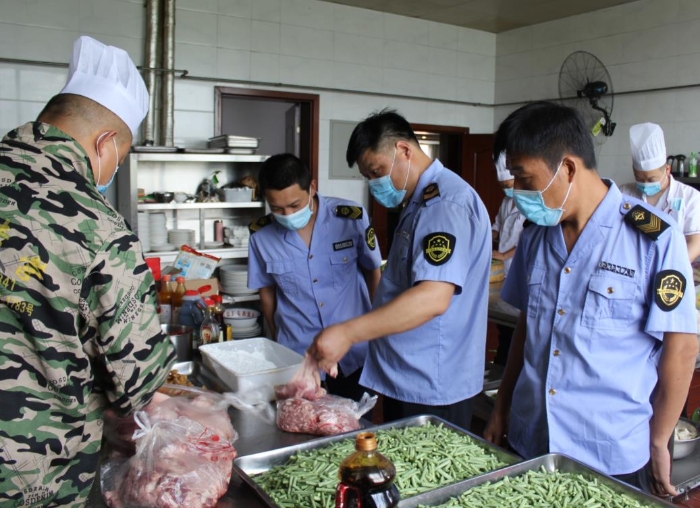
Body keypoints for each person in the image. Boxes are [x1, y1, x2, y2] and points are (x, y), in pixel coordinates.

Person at [483, 101, 698, 496]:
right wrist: (502, 407)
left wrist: (658, 440)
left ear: (566, 168)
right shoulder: (535, 236)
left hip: (608, 453)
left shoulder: (654, 239)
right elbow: (526, 332)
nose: (519, 193)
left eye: (525, 179)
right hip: (531, 439)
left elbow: (681, 348)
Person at [0, 36, 175, 506]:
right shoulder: (97, 226)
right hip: (30, 475)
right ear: (104, 144)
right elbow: (138, 381)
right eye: (122, 155)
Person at [309, 109, 491, 429]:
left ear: (404, 150)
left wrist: (348, 332)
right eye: (367, 177)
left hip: (431, 382)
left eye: (377, 171)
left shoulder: (444, 205)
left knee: (425, 475)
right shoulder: (418, 201)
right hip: (409, 371)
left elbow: (432, 298)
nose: (375, 183)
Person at [247, 153, 382, 401]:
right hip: (297, 356)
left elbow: (374, 273)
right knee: (303, 425)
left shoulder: (350, 218)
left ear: (312, 187)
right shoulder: (260, 235)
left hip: (354, 350)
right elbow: (267, 294)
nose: (286, 214)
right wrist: (280, 343)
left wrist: (377, 329)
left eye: (295, 205)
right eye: (276, 208)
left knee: (357, 426)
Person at [620, 123, 700, 261]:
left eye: (652, 179)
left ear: (667, 170)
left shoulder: (690, 197)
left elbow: (695, 242)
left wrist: (673, 267)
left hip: (672, 267)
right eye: (639, 178)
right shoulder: (624, 193)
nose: (645, 184)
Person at [491, 150, 526, 366]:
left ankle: (508, 363)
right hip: (502, 273)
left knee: (516, 328)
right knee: (504, 328)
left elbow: (527, 240)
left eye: (509, 184)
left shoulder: (529, 202)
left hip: (518, 270)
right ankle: (502, 362)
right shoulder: (506, 202)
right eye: (503, 186)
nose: (507, 190)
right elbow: (497, 228)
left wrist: (503, 254)